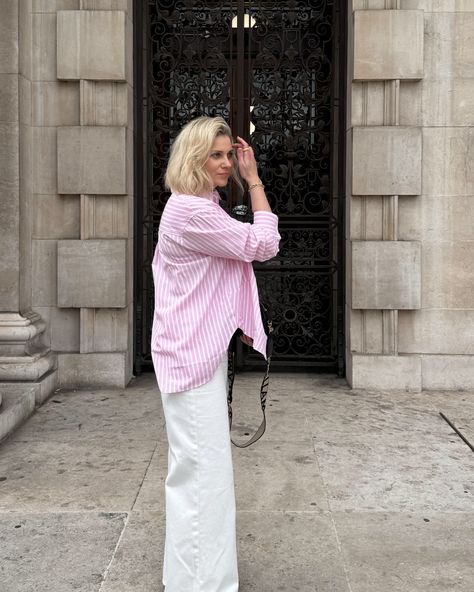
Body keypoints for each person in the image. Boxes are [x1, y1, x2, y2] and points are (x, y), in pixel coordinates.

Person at [151, 116, 280, 592]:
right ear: (194, 158)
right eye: (217, 155)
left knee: (192, 473)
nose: (227, 163)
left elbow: (221, 269)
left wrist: (239, 317)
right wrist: (256, 179)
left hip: (189, 352)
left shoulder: (197, 205)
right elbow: (262, 244)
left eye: (231, 154)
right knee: (204, 477)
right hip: (191, 358)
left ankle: (187, 580)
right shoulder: (193, 212)